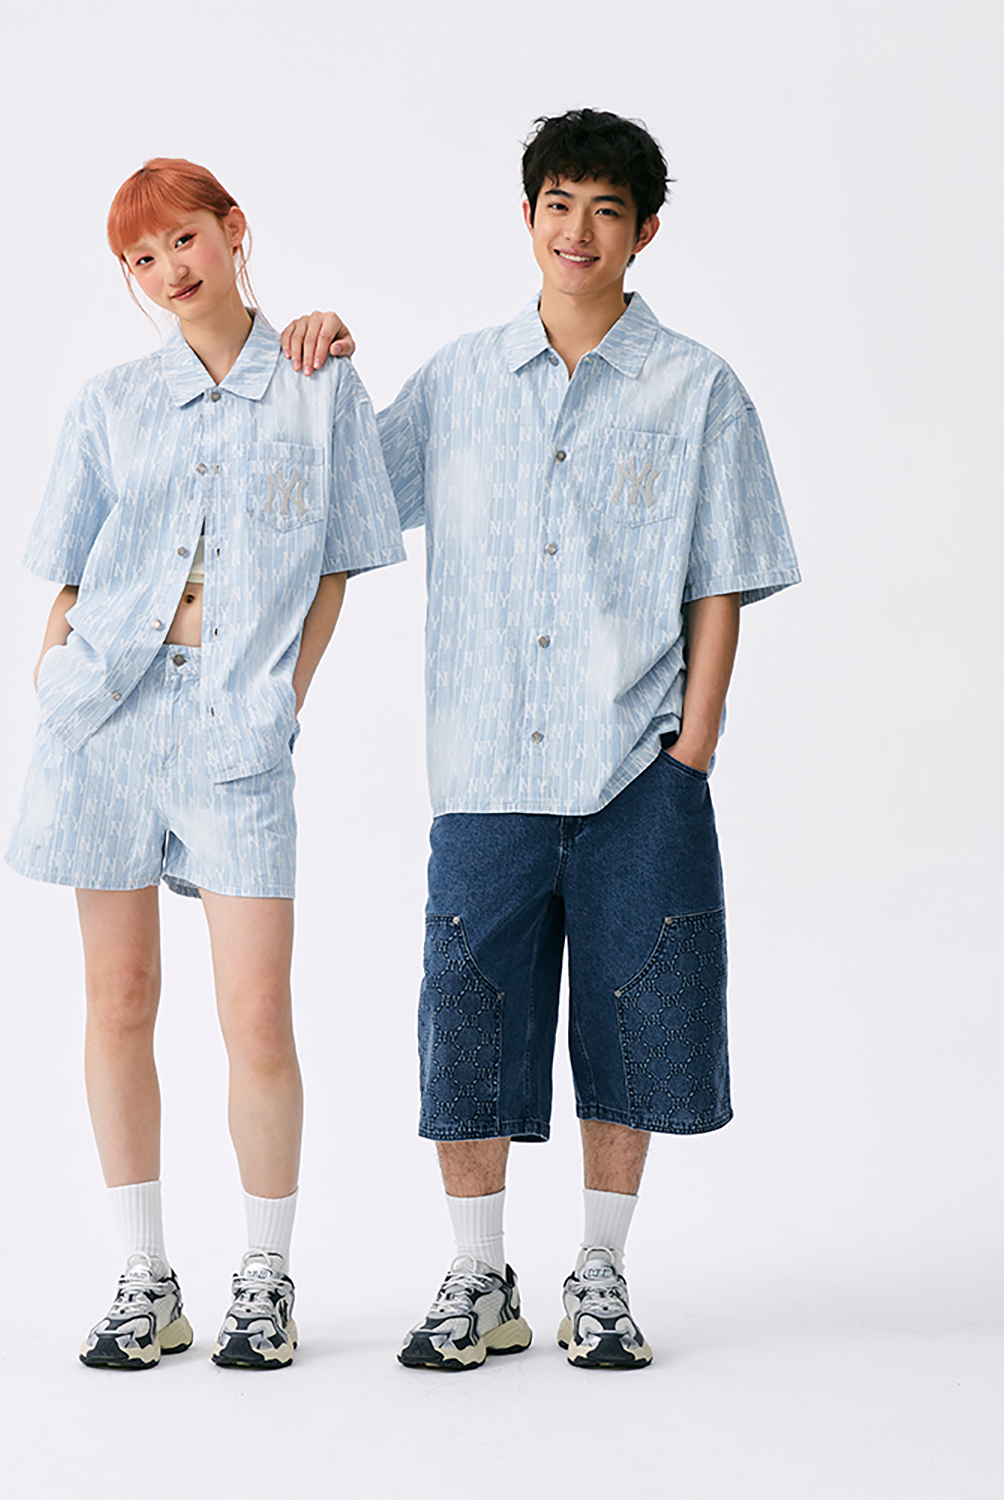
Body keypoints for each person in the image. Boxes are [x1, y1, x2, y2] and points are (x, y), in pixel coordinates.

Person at [282, 109, 799, 1369]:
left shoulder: (698, 388)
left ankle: (602, 1271)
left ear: (644, 232)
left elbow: (724, 575)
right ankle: (478, 1275)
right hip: (485, 769)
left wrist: (695, 747)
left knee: (639, 1016)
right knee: (467, 1017)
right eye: (558, 204)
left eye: (606, 210)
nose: (579, 231)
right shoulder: (461, 380)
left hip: (639, 769)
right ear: (527, 218)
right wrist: (318, 366)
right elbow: (348, 497)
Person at [6, 158, 404, 1371]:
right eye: (141, 259)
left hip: (239, 728)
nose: (168, 271)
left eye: (183, 240)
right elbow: (69, 569)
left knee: (257, 1014)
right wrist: (55, 678)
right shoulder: (111, 403)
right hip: (105, 721)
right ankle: (145, 1280)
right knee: (120, 999)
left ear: (233, 232)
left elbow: (340, 563)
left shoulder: (320, 385)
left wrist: (283, 696)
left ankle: (266, 1280)